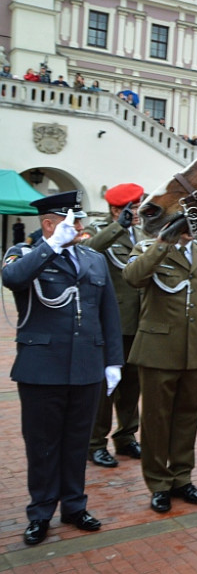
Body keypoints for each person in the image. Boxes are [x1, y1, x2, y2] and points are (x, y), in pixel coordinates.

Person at [1, 191, 122, 545]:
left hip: (86, 366)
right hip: (41, 368)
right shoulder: (25, 254)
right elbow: (13, 279)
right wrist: (51, 246)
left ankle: (74, 505)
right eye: (72, 221)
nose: (81, 227)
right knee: (42, 445)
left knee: (76, 443)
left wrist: (113, 360)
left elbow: (108, 314)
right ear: (49, 223)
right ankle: (40, 512)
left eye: (80, 220)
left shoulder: (94, 259)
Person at [123, 215, 197, 513]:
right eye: (184, 224)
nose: (191, 229)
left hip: (192, 351)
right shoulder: (148, 248)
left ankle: (182, 477)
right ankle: (159, 483)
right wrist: (164, 242)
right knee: (156, 420)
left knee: (187, 417)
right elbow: (133, 277)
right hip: (157, 350)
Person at [83, 183, 146, 468]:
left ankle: (126, 436)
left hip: (140, 323)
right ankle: (95, 443)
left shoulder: (144, 233)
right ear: (114, 210)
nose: (135, 212)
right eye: (130, 208)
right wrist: (116, 228)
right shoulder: (100, 231)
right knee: (106, 388)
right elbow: (86, 252)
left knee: (132, 385)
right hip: (112, 324)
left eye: (137, 206)